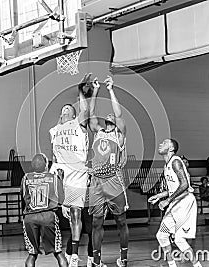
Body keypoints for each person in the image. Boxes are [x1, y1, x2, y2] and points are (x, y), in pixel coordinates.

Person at [49, 74, 90, 267]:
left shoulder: (78, 124)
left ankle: (74, 255)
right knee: (55, 215)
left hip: (77, 175)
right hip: (60, 174)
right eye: (63, 109)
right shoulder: (55, 130)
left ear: (73, 115)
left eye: (68, 109)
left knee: (76, 214)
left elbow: (86, 110)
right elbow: (55, 155)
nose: (65, 110)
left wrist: (81, 92)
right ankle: (60, 250)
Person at [88, 76, 129, 267]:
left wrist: (110, 89)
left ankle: (124, 257)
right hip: (97, 181)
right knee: (96, 223)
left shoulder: (119, 135)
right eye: (109, 117)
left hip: (113, 180)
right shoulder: (99, 132)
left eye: (112, 117)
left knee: (121, 221)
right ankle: (96, 261)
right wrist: (96, 91)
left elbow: (119, 115)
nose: (110, 117)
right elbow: (91, 112)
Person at [148, 139, 202, 267]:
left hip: (185, 203)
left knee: (179, 239)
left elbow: (185, 185)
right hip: (175, 203)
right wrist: (159, 196)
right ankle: (172, 265)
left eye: (164, 143)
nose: (161, 144)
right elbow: (173, 189)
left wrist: (167, 201)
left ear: (171, 148)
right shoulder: (167, 165)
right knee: (161, 235)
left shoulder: (176, 162)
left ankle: (197, 265)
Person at [20, 153, 68, 267]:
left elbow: (23, 196)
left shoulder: (26, 177)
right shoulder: (53, 177)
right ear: (46, 165)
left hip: (30, 217)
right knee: (58, 252)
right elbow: (61, 198)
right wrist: (61, 180)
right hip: (48, 216)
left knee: (32, 254)